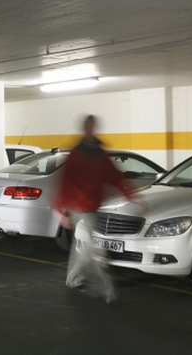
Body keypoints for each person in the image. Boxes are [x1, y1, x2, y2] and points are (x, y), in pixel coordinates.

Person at [53, 114, 145, 303]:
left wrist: (132, 196)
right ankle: (106, 287)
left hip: (93, 206)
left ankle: (73, 279)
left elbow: (115, 178)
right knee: (94, 250)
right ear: (84, 128)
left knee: (84, 248)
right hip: (80, 207)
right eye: (88, 126)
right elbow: (65, 181)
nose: (90, 130)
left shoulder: (100, 155)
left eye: (92, 127)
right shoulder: (76, 154)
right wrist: (59, 209)